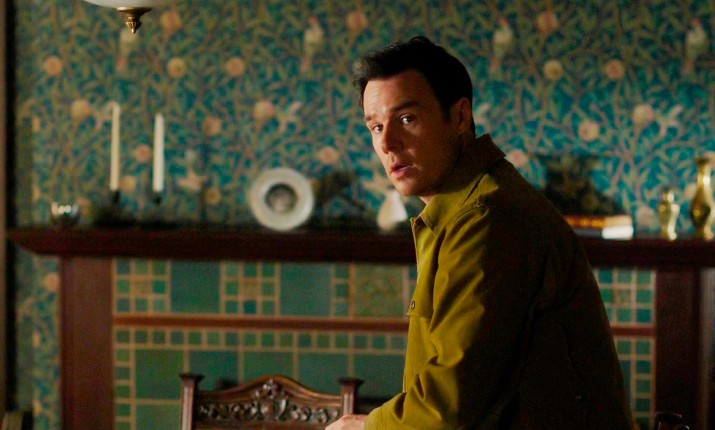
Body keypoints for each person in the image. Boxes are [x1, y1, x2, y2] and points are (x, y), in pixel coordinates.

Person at [327, 36, 633, 429]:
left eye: (407, 120)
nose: (387, 143)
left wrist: (366, 427)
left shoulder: (486, 218)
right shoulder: (463, 209)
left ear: (460, 117)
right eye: (375, 126)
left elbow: (450, 408)